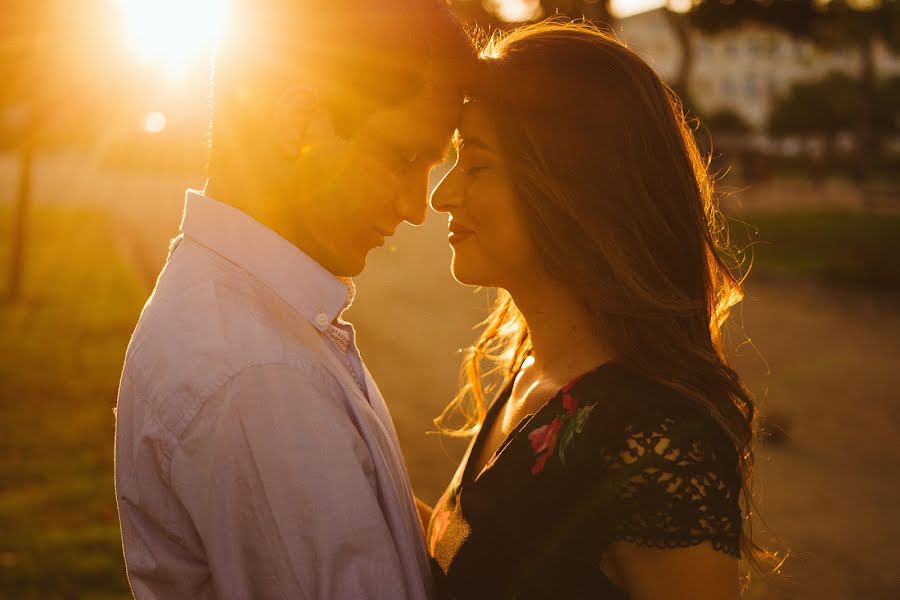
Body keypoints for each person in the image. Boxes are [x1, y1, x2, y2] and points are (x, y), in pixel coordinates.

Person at [114, 1, 473, 598]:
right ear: (301, 124)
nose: (417, 207)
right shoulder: (259, 373)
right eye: (407, 158)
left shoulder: (256, 320)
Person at [426, 21, 770, 599]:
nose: (443, 194)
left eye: (478, 164)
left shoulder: (652, 436)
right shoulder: (531, 375)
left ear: (571, 185)